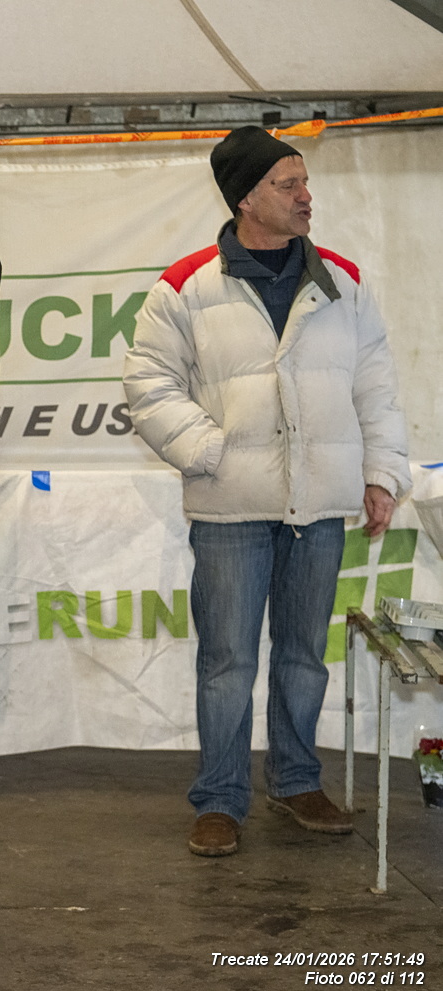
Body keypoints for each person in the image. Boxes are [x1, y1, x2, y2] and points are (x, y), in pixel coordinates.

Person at [124, 126, 410, 858]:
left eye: (305, 182)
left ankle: (296, 781)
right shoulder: (186, 285)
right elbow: (148, 384)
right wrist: (209, 451)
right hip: (230, 507)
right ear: (246, 198)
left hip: (320, 506)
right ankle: (220, 799)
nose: (306, 196)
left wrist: (381, 473)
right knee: (227, 662)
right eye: (289, 185)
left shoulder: (343, 280)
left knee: (304, 655)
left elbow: (375, 384)